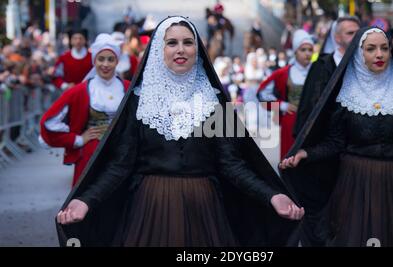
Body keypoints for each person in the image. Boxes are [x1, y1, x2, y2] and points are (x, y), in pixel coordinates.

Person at [54, 16, 303, 247]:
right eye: (171, 42)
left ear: (198, 50)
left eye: (188, 42)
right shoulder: (139, 102)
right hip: (151, 208)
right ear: (158, 51)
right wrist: (86, 199)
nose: (180, 49)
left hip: (204, 209)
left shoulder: (214, 101)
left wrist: (272, 195)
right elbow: (120, 164)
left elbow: (232, 164)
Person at [280, 27, 393, 247]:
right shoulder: (346, 95)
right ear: (360, 54)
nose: (379, 54)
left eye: (384, 48)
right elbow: (335, 143)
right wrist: (306, 153)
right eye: (371, 49)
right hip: (355, 184)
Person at [40, 33, 130, 187]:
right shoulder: (81, 90)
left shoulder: (128, 88)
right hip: (91, 156)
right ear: (94, 60)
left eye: (111, 59)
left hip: (122, 156)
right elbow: (49, 121)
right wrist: (78, 140)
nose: (106, 64)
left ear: (117, 61)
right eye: (101, 59)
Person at [293, 16, 360, 137]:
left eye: (358, 33)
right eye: (350, 33)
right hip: (326, 139)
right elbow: (308, 106)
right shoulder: (320, 66)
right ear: (337, 38)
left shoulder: (367, 65)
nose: (356, 37)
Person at [257, 29, 313, 159]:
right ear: (295, 51)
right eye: (303, 50)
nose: (307, 54)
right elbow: (262, 93)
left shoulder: (318, 71)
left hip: (312, 120)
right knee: (290, 156)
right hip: (291, 120)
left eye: (310, 50)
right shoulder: (283, 73)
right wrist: (281, 105)